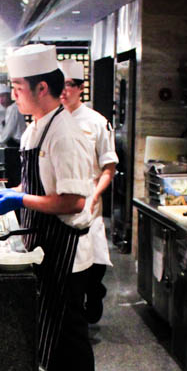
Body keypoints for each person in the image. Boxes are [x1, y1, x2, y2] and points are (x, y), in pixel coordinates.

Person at [0, 44, 96, 371]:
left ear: (42, 89)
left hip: (65, 250)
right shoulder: (38, 128)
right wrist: (12, 191)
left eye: (18, 87)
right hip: (45, 246)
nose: (14, 94)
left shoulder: (64, 134)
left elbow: (73, 200)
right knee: (50, 330)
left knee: (68, 337)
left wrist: (19, 199)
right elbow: (40, 185)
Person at [59, 58, 117, 324]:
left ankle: (94, 295)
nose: (64, 91)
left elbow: (108, 168)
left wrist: (95, 196)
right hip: (59, 203)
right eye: (60, 85)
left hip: (88, 201)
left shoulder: (96, 122)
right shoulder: (50, 121)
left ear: (81, 88)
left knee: (91, 259)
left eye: (69, 85)